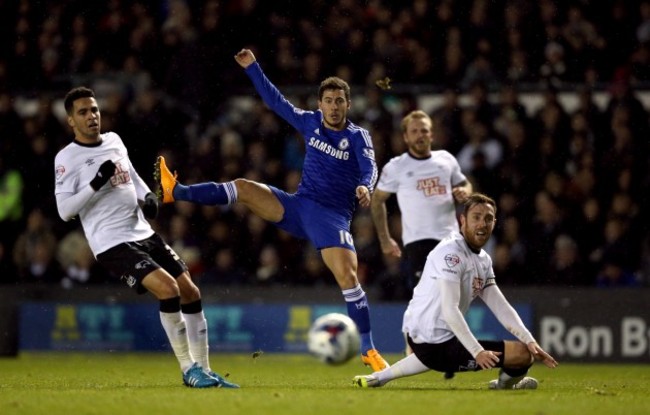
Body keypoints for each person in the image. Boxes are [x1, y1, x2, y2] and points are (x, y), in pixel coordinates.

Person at [155, 48, 389, 372]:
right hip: (298, 206)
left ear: (348, 105)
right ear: (320, 104)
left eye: (340, 101)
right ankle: (175, 191)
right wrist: (253, 68)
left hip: (330, 216)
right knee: (245, 187)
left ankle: (368, 349)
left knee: (349, 277)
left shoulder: (358, 136)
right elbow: (276, 102)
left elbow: (370, 167)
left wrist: (365, 186)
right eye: (329, 101)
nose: (334, 107)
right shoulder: (310, 122)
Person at [53, 86, 238, 389]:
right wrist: (96, 184)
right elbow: (64, 211)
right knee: (168, 289)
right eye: (83, 112)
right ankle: (188, 369)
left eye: (94, 109)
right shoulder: (67, 158)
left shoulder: (114, 140)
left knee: (190, 291)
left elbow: (133, 176)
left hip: (143, 232)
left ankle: (205, 369)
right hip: (112, 242)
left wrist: (147, 196)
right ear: (71, 121)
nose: (92, 116)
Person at [353, 193, 558, 389]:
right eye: (476, 217)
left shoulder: (483, 260)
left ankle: (379, 377)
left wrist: (529, 340)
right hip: (436, 344)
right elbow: (449, 309)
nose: (482, 224)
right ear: (463, 221)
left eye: (488, 218)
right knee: (523, 356)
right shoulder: (451, 253)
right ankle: (504, 386)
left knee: (524, 348)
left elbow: (500, 306)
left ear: (494, 223)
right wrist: (477, 351)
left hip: (428, 343)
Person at [371, 110, 472, 296]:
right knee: (427, 300)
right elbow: (377, 201)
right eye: (414, 131)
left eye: (424, 131)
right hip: (418, 243)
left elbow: (465, 183)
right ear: (406, 137)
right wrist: (385, 239)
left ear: (431, 134)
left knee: (451, 299)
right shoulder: (396, 166)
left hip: (450, 240)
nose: (420, 135)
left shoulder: (446, 160)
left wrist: (465, 192)